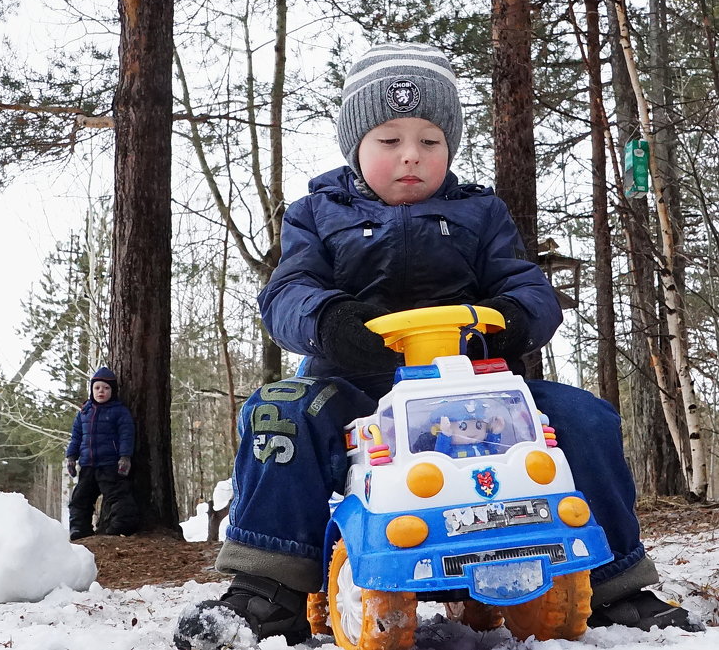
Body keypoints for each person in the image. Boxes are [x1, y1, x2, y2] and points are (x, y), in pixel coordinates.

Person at [174, 43, 702, 649]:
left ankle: (614, 585)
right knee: (280, 412)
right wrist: (330, 321)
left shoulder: (479, 212)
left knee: (584, 416)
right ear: (355, 143)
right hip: (351, 382)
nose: (411, 157)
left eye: (429, 140)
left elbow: (526, 285)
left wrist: (510, 319)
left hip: (475, 385)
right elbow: (288, 291)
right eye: (389, 139)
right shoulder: (317, 213)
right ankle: (268, 590)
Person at [65, 366, 139, 540]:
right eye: (97, 388)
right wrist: (71, 457)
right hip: (88, 464)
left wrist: (125, 457)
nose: (101, 391)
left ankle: (121, 527)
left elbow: (127, 435)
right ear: (91, 389)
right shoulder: (84, 412)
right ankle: (79, 530)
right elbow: (76, 437)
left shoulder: (119, 411)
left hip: (110, 464)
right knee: (79, 499)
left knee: (118, 497)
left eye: (106, 388)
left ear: (112, 391)